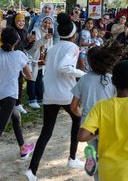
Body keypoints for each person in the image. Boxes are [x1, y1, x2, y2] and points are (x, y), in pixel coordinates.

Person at [25, 13, 85, 181]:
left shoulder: (53, 47)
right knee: (77, 119)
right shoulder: (73, 47)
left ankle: (32, 171)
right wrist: (83, 74)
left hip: (49, 94)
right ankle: (72, 158)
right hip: (66, 95)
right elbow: (63, 67)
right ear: (73, 35)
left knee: (46, 132)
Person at [70, 41, 125, 181]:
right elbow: (119, 100)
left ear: (89, 63)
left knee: (93, 148)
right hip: (106, 121)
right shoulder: (111, 79)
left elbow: (73, 106)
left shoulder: (84, 79)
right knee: (107, 152)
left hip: (88, 122)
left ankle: (92, 158)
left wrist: (81, 114)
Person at [0, 27, 34, 160]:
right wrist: (26, 69)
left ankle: (23, 148)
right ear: (16, 42)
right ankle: (23, 148)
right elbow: (29, 77)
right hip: (10, 95)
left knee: (16, 116)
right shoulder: (19, 55)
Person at [26, 16, 53, 109]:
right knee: (32, 78)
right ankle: (32, 100)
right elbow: (34, 46)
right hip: (34, 58)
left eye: (49, 23)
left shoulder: (49, 32)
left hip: (43, 58)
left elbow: (50, 46)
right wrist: (44, 38)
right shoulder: (35, 30)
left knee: (39, 78)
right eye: (45, 22)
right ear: (41, 22)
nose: (47, 24)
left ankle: (40, 98)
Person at [12, 13, 35, 114]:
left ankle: (18, 103)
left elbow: (26, 47)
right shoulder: (12, 31)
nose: (21, 23)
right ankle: (13, 104)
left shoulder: (25, 31)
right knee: (15, 82)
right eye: (18, 21)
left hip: (21, 59)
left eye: (22, 21)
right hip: (12, 59)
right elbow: (16, 46)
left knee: (20, 82)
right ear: (14, 21)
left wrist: (31, 41)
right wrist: (27, 41)